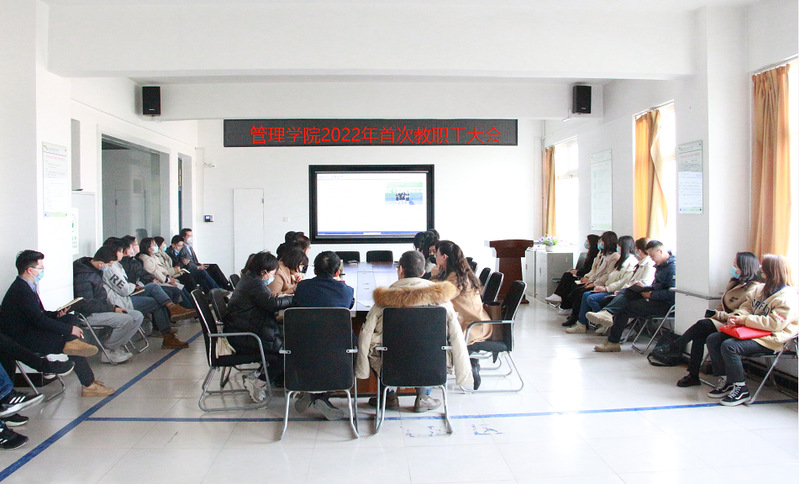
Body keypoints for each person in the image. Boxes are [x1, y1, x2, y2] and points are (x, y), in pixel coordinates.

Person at [356, 251, 472, 412]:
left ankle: (389, 395)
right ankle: (423, 397)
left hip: (391, 362)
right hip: (431, 359)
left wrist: (361, 370)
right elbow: (457, 336)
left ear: (400, 270)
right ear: (423, 272)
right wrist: (463, 373)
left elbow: (365, 335)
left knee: (377, 348)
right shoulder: (442, 300)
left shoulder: (383, 301)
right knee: (432, 348)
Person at [0, 250, 113, 399]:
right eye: (40, 268)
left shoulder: (28, 286)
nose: (43, 270)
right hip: (24, 338)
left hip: (32, 330)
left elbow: (38, 314)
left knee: (70, 319)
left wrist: (56, 314)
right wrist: (69, 330)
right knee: (71, 345)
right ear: (29, 270)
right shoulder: (21, 290)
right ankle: (89, 384)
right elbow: (38, 320)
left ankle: (74, 346)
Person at [705, 254, 798, 406]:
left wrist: (744, 320)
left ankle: (741, 389)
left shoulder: (788, 297)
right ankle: (728, 381)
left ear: (771, 271)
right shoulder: (760, 289)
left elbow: (774, 324)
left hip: (772, 338)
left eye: (764, 268)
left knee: (730, 346)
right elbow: (747, 307)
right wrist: (737, 316)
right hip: (752, 331)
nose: (761, 271)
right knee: (713, 339)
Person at [662, 252, 762, 387]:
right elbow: (723, 304)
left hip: (736, 324)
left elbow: (742, 313)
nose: (733, 268)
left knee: (702, 325)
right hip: (723, 321)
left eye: (735, 265)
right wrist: (717, 313)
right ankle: (693, 375)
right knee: (699, 335)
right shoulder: (734, 283)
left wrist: (720, 315)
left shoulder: (753, 288)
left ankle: (676, 345)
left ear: (744, 267)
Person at [291, 251, 355, 420]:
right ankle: (321, 396)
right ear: (337, 272)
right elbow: (349, 305)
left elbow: (296, 304)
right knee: (354, 347)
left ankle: (311, 392)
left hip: (302, 347)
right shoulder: (346, 291)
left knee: (318, 348)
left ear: (314, 270)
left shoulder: (302, 287)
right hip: (337, 349)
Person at [224, 251, 293, 402]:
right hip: (246, 336)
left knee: (286, 342)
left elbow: (267, 301)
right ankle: (257, 382)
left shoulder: (250, 279)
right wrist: (293, 299)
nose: (272, 277)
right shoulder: (254, 283)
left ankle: (256, 375)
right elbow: (271, 304)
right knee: (287, 352)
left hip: (245, 329)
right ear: (263, 272)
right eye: (272, 273)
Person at [102, 238, 190, 349]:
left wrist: (134, 286)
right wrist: (134, 286)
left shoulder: (117, 265)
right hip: (121, 300)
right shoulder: (110, 268)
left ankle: (172, 308)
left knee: (153, 287)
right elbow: (124, 289)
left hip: (128, 293)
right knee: (156, 302)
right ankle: (167, 335)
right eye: (121, 251)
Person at [589, 240, 676, 352]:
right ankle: (607, 313)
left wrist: (651, 294)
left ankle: (613, 341)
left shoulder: (672, 267)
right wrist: (644, 289)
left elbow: (672, 293)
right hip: (654, 296)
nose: (651, 258)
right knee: (627, 291)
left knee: (624, 307)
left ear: (660, 251)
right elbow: (658, 285)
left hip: (664, 304)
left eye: (652, 256)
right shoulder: (661, 266)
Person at [435, 240, 491, 389]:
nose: (435, 258)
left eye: (436, 255)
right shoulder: (458, 273)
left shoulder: (455, 278)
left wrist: (433, 277)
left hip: (473, 325)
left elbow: (439, 296)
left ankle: (468, 366)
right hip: (471, 320)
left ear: (444, 257)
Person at [73, 246, 144, 364]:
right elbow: (87, 305)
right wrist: (112, 309)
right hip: (89, 314)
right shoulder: (84, 277)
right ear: (101, 263)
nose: (109, 268)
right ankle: (109, 350)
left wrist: (113, 307)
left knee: (137, 316)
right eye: (109, 265)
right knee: (125, 320)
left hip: (101, 308)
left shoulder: (95, 272)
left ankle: (117, 346)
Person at [565, 235, 639, 332]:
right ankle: (582, 324)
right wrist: (591, 280)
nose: (618, 247)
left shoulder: (631, 262)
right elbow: (601, 273)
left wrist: (605, 288)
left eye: (619, 245)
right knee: (582, 293)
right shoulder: (621, 259)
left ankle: (603, 321)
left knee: (590, 297)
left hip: (616, 290)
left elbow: (622, 281)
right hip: (607, 286)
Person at [556, 231, 620, 318]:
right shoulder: (602, 254)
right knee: (574, 287)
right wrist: (588, 279)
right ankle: (572, 312)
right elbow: (594, 270)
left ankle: (578, 317)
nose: (600, 243)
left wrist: (593, 283)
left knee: (580, 292)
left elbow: (608, 275)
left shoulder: (614, 256)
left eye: (602, 241)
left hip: (602, 284)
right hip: (594, 280)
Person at [138, 237, 195, 310]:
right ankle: (184, 309)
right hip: (159, 281)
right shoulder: (146, 259)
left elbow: (164, 269)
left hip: (166, 278)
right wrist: (168, 280)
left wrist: (169, 278)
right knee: (177, 289)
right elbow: (156, 273)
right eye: (154, 245)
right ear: (148, 248)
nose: (156, 246)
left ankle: (193, 307)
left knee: (181, 288)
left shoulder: (153, 256)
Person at [545, 234, 601, 305]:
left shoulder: (595, 256)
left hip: (587, 277)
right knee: (567, 274)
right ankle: (558, 296)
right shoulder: (589, 254)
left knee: (568, 277)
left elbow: (589, 270)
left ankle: (561, 299)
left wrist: (577, 272)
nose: (586, 243)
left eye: (587, 241)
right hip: (585, 275)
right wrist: (575, 271)